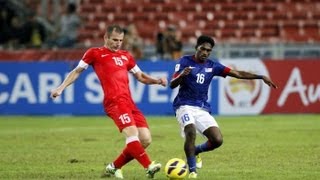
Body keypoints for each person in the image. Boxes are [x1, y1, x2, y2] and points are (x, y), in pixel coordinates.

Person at [50, 25, 167, 179]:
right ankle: (148, 166)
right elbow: (76, 71)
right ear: (106, 38)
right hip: (114, 102)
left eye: (120, 40)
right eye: (114, 40)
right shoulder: (95, 53)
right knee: (132, 134)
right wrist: (61, 87)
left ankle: (114, 167)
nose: (118, 43)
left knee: (145, 139)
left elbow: (140, 76)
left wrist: (157, 80)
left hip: (129, 102)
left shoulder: (126, 56)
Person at [169, 35, 277, 178]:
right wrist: (182, 75)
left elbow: (237, 73)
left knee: (217, 140)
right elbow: (172, 84)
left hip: (201, 108)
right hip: (184, 106)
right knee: (191, 132)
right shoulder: (185, 61)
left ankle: (195, 151)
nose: (205, 53)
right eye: (203, 49)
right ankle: (192, 171)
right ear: (197, 48)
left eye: (209, 50)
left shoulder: (212, 66)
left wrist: (260, 76)